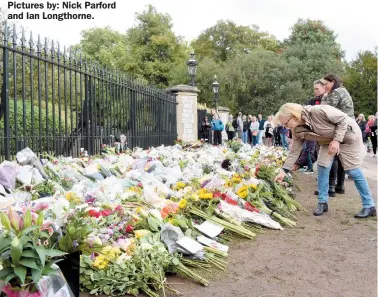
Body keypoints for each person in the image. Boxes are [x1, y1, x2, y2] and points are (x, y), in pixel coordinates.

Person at [274, 103, 376, 218]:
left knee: (352, 170)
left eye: (286, 123)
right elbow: (294, 151)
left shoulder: (318, 111)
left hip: (347, 136)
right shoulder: (296, 130)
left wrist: (337, 140)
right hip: (328, 141)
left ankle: (369, 206)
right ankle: (322, 202)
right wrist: (284, 171)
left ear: (294, 116)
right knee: (322, 166)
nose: (286, 127)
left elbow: (342, 119)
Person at [321, 73, 355, 195]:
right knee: (341, 158)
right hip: (350, 127)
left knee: (334, 156)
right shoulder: (343, 91)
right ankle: (340, 186)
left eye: (326, 84)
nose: (325, 87)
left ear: (333, 82)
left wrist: (324, 96)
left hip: (342, 128)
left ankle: (331, 187)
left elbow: (324, 109)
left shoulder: (336, 93)